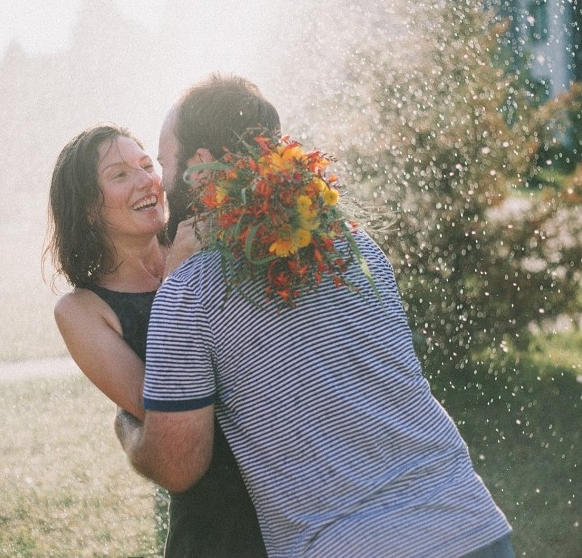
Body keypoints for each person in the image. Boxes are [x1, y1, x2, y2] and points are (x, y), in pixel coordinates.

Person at [115, 73, 515, 557]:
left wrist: (128, 427)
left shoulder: (189, 290)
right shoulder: (355, 247)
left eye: (165, 162)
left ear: (200, 167)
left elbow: (177, 465)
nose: (160, 181)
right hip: (471, 526)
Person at [44, 123, 267, 557]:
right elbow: (167, 417)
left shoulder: (203, 237)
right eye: (120, 174)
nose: (147, 180)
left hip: (293, 486)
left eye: (148, 166)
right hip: (218, 522)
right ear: (87, 209)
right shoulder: (82, 311)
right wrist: (176, 278)